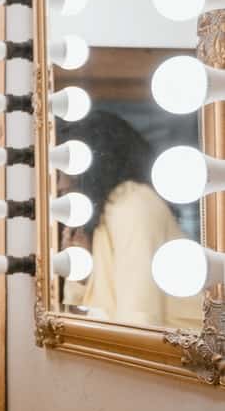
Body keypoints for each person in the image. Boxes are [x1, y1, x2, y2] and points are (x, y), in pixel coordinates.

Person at [58, 110, 202, 330]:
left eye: (69, 171)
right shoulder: (102, 214)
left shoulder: (134, 204)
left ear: (96, 164)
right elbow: (80, 319)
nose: (61, 185)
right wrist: (83, 276)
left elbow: (140, 321)